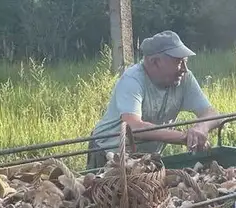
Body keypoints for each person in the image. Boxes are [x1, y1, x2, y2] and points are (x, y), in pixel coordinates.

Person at [86, 30, 222, 170]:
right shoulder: (132, 80)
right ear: (155, 61)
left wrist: (201, 128)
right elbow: (134, 127)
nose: (184, 69)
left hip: (145, 158)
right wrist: (185, 137)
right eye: (179, 62)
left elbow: (212, 113)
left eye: (185, 61)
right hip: (109, 153)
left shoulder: (185, 78)